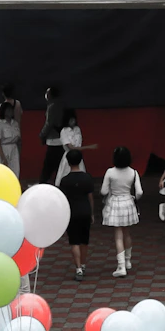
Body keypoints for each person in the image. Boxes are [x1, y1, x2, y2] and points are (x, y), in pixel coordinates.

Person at [101, 145, 143, 278]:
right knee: (127, 233)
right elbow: (140, 192)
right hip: (128, 202)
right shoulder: (133, 172)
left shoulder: (110, 172)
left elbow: (103, 191)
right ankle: (128, 260)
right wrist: (134, 198)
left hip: (115, 202)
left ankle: (121, 266)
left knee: (118, 235)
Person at [57, 147, 98, 279]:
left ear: (68, 162)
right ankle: (84, 264)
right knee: (84, 241)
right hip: (85, 211)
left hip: (72, 213)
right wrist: (92, 213)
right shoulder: (87, 178)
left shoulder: (65, 180)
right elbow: (90, 197)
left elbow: (62, 200)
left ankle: (78, 268)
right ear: (80, 161)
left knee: (74, 241)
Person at [38, 84, 67, 182]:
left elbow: (49, 124)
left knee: (48, 165)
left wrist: (42, 134)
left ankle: (43, 183)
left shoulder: (52, 107)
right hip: (62, 138)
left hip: (53, 139)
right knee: (59, 164)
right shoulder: (62, 105)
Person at [53, 110, 85, 186]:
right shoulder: (64, 131)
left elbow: (79, 143)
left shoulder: (77, 129)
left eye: (74, 119)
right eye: (70, 120)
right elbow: (70, 146)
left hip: (78, 155)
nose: (73, 122)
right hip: (69, 156)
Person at [0, 101, 23, 178]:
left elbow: (19, 139)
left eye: (11, 110)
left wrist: (19, 151)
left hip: (14, 149)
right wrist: (3, 157)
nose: (10, 112)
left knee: (14, 171)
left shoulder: (15, 123)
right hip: (3, 149)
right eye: (8, 110)